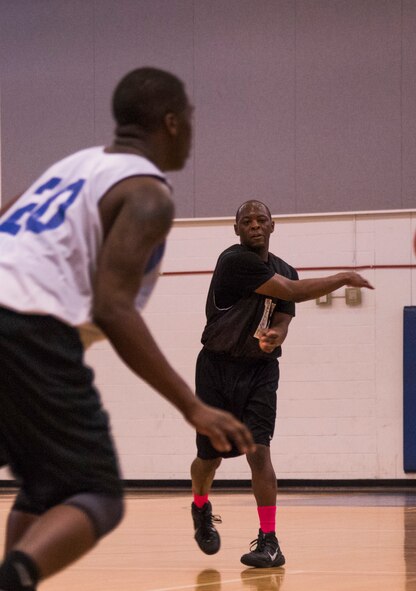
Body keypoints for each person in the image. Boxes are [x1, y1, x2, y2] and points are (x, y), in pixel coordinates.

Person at [0, 67, 255, 591]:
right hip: (28, 329)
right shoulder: (147, 194)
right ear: (170, 122)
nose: (191, 127)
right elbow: (114, 307)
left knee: (44, 487)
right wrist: (192, 405)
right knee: (96, 495)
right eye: (189, 116)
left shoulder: (72, 166)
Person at [188, 199, 373, 568]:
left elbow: (285, 316)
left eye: (261, 219)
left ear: (273, 225)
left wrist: (277, 335)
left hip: (259, 369)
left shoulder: (286, 267)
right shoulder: (234, 261)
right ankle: (200, 506)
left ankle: (269, 541)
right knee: (209, 459)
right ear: (236, 229)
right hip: (217, 368)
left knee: (259, 451)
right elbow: (289, 291)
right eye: (247, 221)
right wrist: (341, 277)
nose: (254, 225)